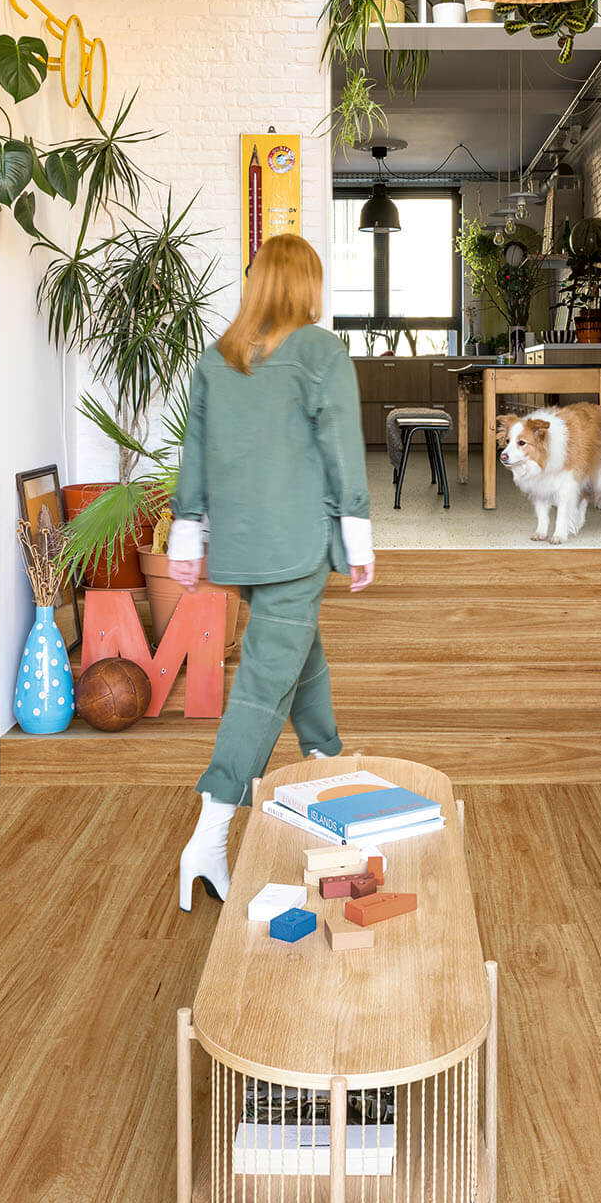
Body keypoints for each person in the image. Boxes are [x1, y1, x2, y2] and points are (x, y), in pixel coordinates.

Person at [168, 234, 374, 908]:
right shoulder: (319, 351)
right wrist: (357, 531)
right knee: (262, 680)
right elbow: (342, 443)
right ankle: (212, 824)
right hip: (294, 542)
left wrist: (187, 530)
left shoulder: (217, 357)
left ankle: (327, 761)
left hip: (242, 545)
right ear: (305, 286)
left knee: (292, 648)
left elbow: (193, 450)